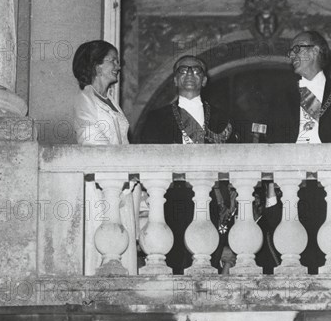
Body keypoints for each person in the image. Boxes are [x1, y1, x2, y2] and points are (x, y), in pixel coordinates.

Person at [267, 31, 331, 274]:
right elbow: (268, 146)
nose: (291, 55)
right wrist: (271, 191)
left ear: (315, 51)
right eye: (290, 51)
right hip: (292, 187)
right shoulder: (280, 96)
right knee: (296, 262)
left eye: (297, 49)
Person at [141, 55, 238, 274]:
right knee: (177, 261)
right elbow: (148, 162)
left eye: (196, 71)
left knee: (209, 261)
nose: (189, 74)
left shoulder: (223, 118)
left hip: (214, 199)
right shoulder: (157, 118)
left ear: (204, 80)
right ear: (175, 80)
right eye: (183, 70)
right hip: (175, 198)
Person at [72, 40, 141, 275]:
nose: (118, 65)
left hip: (123, 185)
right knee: (102, 248)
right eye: (112, 60)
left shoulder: (112, 102)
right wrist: (121, 173)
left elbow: (124, 143)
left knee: (124, 249)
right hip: (101, 187)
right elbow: (91, 141)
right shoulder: (85, 100)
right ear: (97, 66)